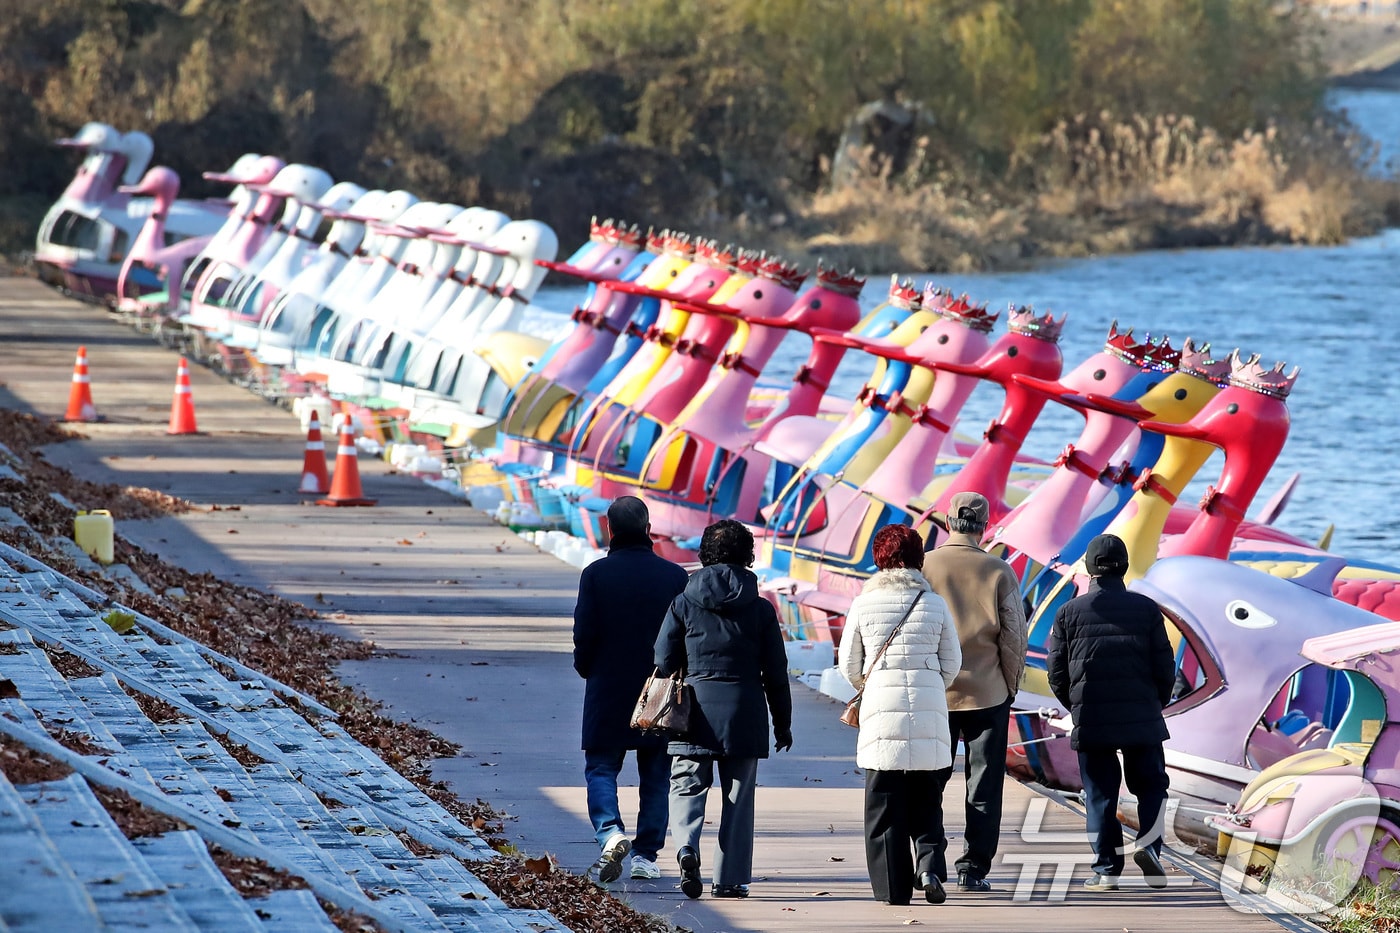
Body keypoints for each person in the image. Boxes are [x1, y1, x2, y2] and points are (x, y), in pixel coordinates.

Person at [654, 519, 793, 899]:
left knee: (686, 784)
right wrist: (783, 724)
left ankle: (685, 846)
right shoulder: (762, 609)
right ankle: (730, 879)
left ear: (705, 553)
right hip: (745, 711)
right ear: (747, 555)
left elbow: (663, 659)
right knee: (738, 797)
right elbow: (777, 672)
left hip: (692, 710)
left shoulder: (683, 601)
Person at [839, 524, 963, 906]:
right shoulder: (934, 604)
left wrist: (872, 682)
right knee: (927, 797)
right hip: (928, 713)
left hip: (881, 714)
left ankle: (893, 889)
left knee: (884, 805)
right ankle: (927, 866)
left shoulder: (863, 604)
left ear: (879, 558)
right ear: (917, 559)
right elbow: (952, 663)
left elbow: (849, 664)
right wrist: (927, 683)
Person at [1046, 532, 1173, 891]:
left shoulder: (1069, 613)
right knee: (1151, 786)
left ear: (1089, 569)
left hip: (1093, 717)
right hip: (1142, 714)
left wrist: (1076, 705)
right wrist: (1154, 703)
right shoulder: (1147, 608)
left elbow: (1056, 672)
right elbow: (1165, 666)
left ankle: (1106, 870)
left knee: (1101, 793)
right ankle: (1150, 846)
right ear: (1124, 567)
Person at [573, 496, 689, 882]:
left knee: (602, 767)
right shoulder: (674, 576)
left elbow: (585, 631)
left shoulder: (595, 575)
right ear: (647, 528)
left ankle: (609, 833)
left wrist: (585, 666)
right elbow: (683, 636)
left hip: (607, 685)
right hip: (658, 687)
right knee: (656, 773)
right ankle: (646, 856)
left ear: (609, 529)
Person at [920, 491, 1027, 892]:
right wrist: (1010, 685)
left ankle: (929, 859)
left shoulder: (926, 564)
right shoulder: (998, 570)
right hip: (988, 692)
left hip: (935, 691)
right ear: (984, 527)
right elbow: (1014, 638)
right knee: (984, 786)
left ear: (948, 522)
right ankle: (973, 867)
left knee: (929, 779)